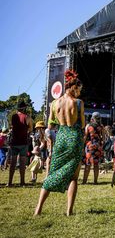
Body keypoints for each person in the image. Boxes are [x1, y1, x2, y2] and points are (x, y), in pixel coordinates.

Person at [34, 69, 85, 216]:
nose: (79, 93)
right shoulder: (78, 103)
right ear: (72, 87)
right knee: (74, 177)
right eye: (78, 89)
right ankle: (69, 211)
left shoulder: (54, 103)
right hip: (74, 137)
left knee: (52, 173)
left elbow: (50, 125)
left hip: (61, 137)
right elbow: (81, 125)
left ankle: (38, 210)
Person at [7, 100, 33, 187]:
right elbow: (30, 129)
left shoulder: (13, 117)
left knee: (13, 164)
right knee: (22, 164)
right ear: (24, 108)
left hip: (14, 143)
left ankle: (9, 182)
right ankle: (22, 182)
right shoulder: (27, 117)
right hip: (23, 143)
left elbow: (12, 127)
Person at [83, 112, 104, 185]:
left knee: (88, 163)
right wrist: (101, 146)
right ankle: (95, 181)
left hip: (90, 146)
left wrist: (83, 146)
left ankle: (84, 181)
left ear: (92, 118)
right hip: (98, 146)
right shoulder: (101, 126)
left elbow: (85, 137)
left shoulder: (88, 126)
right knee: (96, 164)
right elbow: (103, 138)